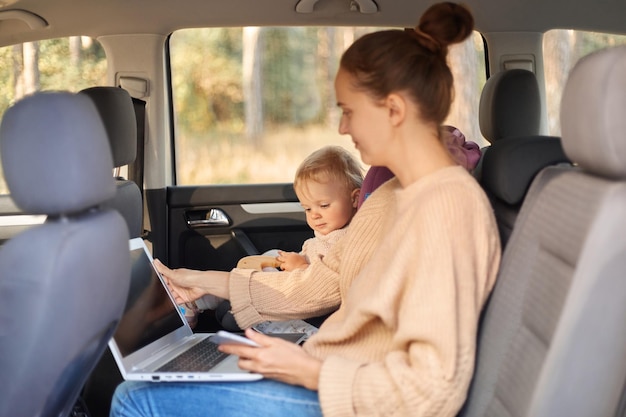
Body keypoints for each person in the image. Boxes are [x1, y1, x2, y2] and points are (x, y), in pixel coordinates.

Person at [110, 2, 501, 416]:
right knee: (161, 376)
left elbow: (433, 390)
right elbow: (321, 283)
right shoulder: (392, 195)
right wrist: (203, 281)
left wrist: (309, 372)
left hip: (354, 399)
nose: (342, 129)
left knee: (135, 398)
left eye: (349, 111)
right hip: (333, 370)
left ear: (394, 110)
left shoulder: (448, 208)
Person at [216, 144, 363, 331]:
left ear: (355, 199)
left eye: (324, 205)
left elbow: (329, 288)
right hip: (299, 293)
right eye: (308, 208)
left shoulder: (348, 239)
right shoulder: (328, 235)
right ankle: (218, 296)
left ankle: (225, 299)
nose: (314, 215)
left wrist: (301, 267)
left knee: (230, 317)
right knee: (270, 257)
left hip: (320, 316)